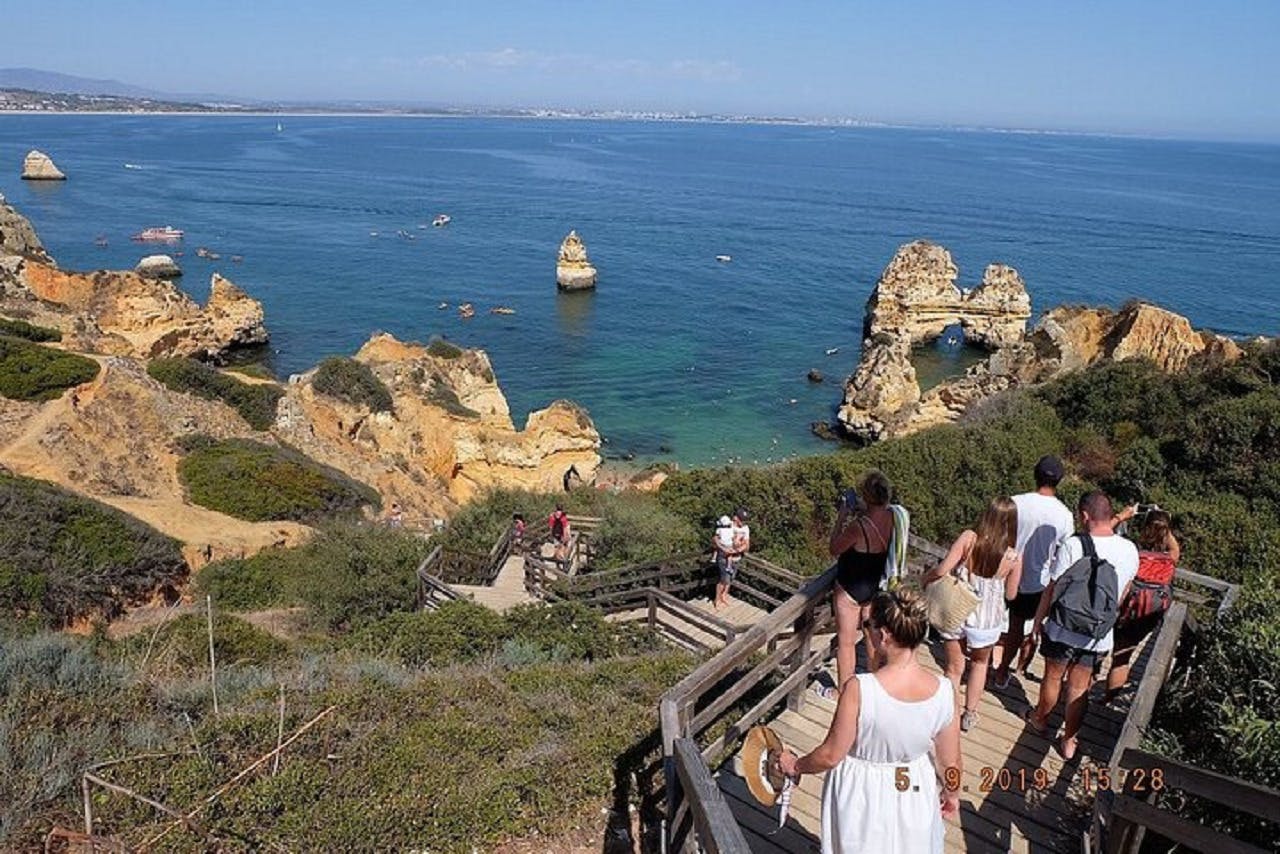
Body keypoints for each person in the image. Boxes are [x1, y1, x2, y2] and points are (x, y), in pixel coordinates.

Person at [776, 588, 962, 854]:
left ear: (884, 635)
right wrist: (952, 794)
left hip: (862, 794)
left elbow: (830, 755)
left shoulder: (860, 689)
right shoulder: (944, 691)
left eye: (869, 626)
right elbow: (950, 762)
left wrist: (796, 766)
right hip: (913, 787)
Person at [1026, 491, 1138, 759]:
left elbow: (1051, 588)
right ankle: (1069, 741)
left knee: (1053, 677)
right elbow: (1123, 595)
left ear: (1085, 516)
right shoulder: (1129, 550)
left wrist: (1037, 623)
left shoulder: (1073, 545)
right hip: (1097, 634)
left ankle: (1040, 719)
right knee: (1078, 687)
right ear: (1109, 515)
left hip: (1063, 628)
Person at [923, 496, 1022, 732]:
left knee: (954, 668)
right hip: (988, 617)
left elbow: (943, 569)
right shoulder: (1014, 557)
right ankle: (970, 714)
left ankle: (949, 713)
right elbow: (1010, 595)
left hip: (956, 609)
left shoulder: (969, 538)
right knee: (980, 664)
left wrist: (926, 579)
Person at [993, 455, 1074, 689]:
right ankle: (1015, 669)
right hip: (1039, 580)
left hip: (1005, 572)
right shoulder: (1065, 515)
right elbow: (1063, 553)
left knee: (1003, 622)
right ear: (1059, 480)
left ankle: (992, 666)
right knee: (1029, 629)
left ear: (1035, 473)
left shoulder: (1016, 502)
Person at [825, 471, 897, 687]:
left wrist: (843, 515)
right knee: (872, 635)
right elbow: (877, 513)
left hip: (850, 587)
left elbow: (834, 548)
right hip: (873, 586)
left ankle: (844, 692)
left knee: (846, 643)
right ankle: (876, 681)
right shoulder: (893, 517)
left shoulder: (860, 526)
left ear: (866, 496)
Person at [1105, 506, 1180, 701]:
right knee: (1121, 659)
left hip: (1120, 610)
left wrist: (1122, 517)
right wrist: (1164, 523)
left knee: (1098, 649)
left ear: (1144, 529)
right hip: (1145, 617)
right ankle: (1107, 699)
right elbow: (1174, 547)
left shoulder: (1132, 553)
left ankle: (1083, 687)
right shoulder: (1170, 559)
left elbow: (1103, 535)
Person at [712, 514, 737, 609]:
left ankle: (721, 597)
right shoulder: (730, 530)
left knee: (726, 579)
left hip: (725, 551)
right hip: (725, 553)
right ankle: (717, 600)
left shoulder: (719, 530)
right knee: (723, 580)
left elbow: (716, 541)